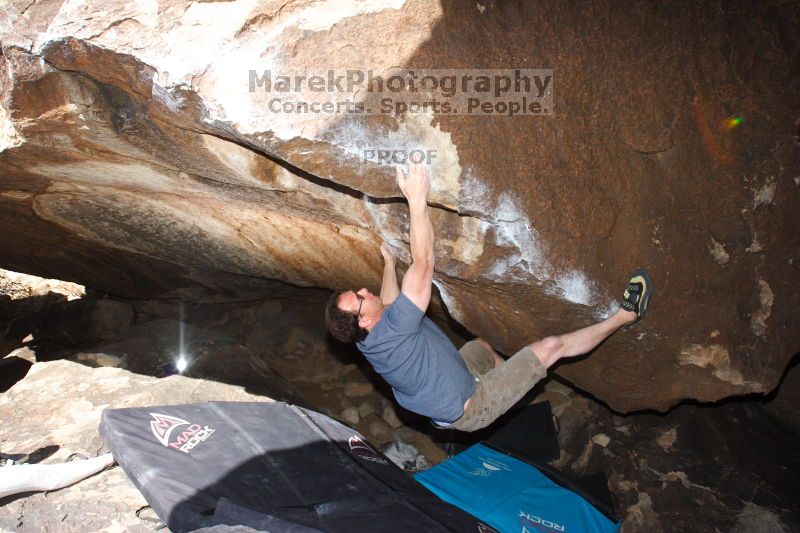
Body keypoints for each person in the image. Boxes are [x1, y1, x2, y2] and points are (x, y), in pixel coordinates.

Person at [326, 163, 652, 432]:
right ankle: (627, 316)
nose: (365, 291)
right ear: (364, 320)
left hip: (451, 378)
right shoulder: (393, 332)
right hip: (471, 407)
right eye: (359, 297)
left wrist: (387, 263)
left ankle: (514, 380)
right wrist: (416, 199)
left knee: (481, 346)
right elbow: (424, 264)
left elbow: (390, 300)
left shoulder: (365, 338)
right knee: (551, 346)